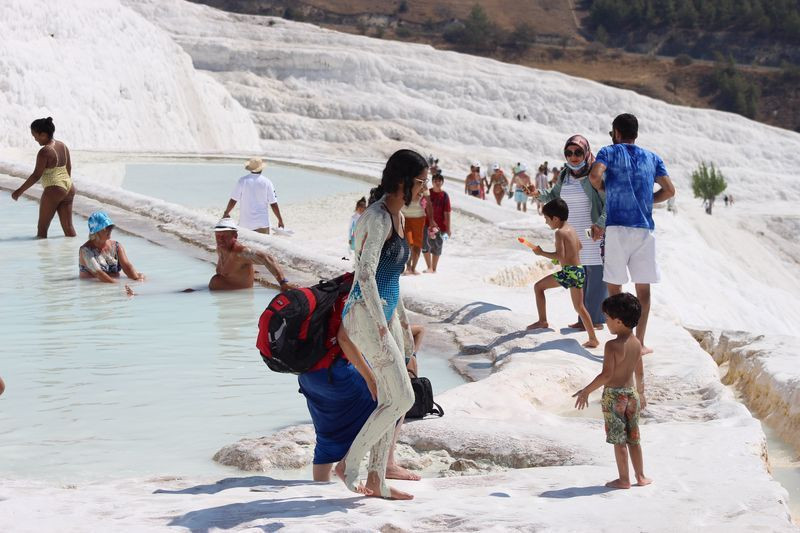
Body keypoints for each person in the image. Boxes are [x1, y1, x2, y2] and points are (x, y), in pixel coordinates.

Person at [335, 149, 427, 500]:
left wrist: (401, 327)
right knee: (402, 397)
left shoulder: (398, 216)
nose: (425, 188)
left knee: (392, 396)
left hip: (385, 316)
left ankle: (376, 480)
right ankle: (349, 465)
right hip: (365, 316)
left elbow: (392, 281)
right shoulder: (376, 218)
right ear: (403, 181)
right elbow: (367, 274)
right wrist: (381, 325)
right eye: (421, 182)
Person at [589, 113, 676, 354]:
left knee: (615, 286)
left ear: (616, 132)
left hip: (617, 227)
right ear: (635, 134)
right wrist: (647, 201)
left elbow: (594, 175)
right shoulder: (653, 157)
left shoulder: (609, 152)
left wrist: (605, 189)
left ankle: (622, 340)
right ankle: (640, 342)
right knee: (643, 289)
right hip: (644, 229)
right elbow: (669, 190)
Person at [303, 324, 426, 483]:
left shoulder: (322, 302)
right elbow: (344, 337)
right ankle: (384, 464)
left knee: (327, 437)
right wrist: (370, 377)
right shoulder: (353, 298)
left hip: (309, 373)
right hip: (340, 370)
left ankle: (319, 489)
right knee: (398, 399)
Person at [573, 293, 651, 489]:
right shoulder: (636, 344)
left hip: (614, 396)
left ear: (618, 321)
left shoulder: (612, 346)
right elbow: (639, 370)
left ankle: (624, 480)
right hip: (631, 394)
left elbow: (606, 375)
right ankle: (641, 476)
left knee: (619, 441)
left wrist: (586, 391)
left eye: (607, 319)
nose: (606, 322)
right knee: (634, 438)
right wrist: (641, 393)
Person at [534, 135, 607, 330]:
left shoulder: (594, 175)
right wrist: (536, 194)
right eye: (568, 153)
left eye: (578, 152)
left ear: (586, 152)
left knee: (596, 277)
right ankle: (584, 320)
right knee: (579, 275)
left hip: (594, 234)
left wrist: (600, 224)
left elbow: (609, 202)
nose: (573, 157)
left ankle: (596, 322)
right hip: (573, 235)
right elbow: (552, 195)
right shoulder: (565, 175)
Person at [525, 199, 599, 348]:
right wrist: (564, 259)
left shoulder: (559, 233)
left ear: (555, 218)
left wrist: (541, 252)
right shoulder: (571, 229)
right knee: (580, 307)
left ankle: (542, 321)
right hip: (578, 270)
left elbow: (560, 256)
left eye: (547, 219)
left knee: (538, 287)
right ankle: (593, 338)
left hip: (569, 272)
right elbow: (579, 247)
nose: (546, 222)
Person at [11, 117, 77, 239]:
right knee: (69, 228)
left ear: (44, 134)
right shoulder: (62, 145)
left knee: (42, 229)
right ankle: (75, 254)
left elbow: (36, 175)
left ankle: (44, 257)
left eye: (35, 135)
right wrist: (65, 187)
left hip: (54, 188)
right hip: (69, 187)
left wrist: (19, 191)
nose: (34, 139)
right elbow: (69, 167)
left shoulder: (45, 151)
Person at [209, 218, 292, 291]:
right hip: (225, 300)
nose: (220, 239)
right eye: (218, 236)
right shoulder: (220, 248)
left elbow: (267, 257)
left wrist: (283, 282)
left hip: (239, 300)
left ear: (235, 236)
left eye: (224, 236)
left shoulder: (240, 252)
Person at [79, 212, 144, 286]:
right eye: (106, 227)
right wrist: (118, 285)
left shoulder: (116, 246)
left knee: (141, 276)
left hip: (113, 284)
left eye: (111, 227)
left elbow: (127, 267)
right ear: (96, 231)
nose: (110, 230)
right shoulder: (85, 250)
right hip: (94, 288)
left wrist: (136, 280)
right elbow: (98, 273)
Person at [222, 158, 284, 234]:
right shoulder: (267, 182)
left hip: (245, 224)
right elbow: (273, 204)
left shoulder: (242, 181)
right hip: (262, 224)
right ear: (261, 169)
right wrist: (280, 220)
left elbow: (233, 200)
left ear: (250, 168)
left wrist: (226, 213)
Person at [422, 172, 451, 273]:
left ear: (442, 182)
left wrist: (448, 229)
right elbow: (422, 207)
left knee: (437, 245)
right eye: (435, 181)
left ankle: (434, 268)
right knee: (425, 245)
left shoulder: (445, 196)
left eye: (439, 181)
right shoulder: (427, 193)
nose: (437, 183)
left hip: (440, 226)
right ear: (432, 182)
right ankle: (429, 267)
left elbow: (447, 212)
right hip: (426, 223)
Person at [401, 181, 429, 275]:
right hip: (406, 218)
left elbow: (427, 203)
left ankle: (413, 268)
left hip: (420, 218)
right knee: (409, 244)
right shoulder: (407, 186)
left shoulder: (424, 188)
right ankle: (408, 267)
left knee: (417, 244)